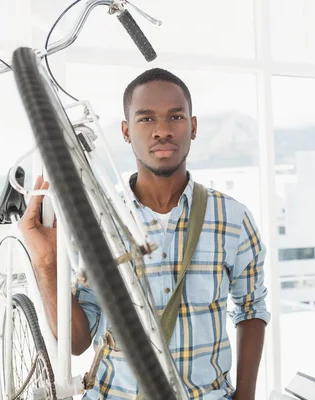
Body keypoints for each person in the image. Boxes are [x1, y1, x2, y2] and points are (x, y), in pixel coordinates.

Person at [19, 68, 270, 400]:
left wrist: (246, 396)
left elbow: (251, 308)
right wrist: (47, 264)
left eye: (176, 117)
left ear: (193, 127)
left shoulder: (233, 218)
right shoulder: (97, 225)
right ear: (125, 131)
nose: (162, 131)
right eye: (147, 119)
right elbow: (78, 342)